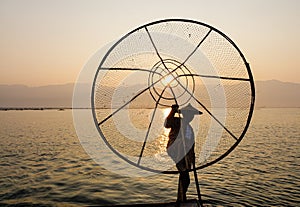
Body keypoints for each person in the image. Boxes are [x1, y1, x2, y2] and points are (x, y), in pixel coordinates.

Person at [164, 103, 202, 203]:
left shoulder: (190, 129)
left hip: (186, 155)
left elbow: (191, 146)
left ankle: (181, 198)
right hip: (176, 150)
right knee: (184, 173)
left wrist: (193, 159)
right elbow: (167, 124)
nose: (191, 117)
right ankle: (181, 199)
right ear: (184, 114)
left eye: (192, 115)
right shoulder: (177, 121)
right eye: (189, 115)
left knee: (186, 178)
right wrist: (173, 111)